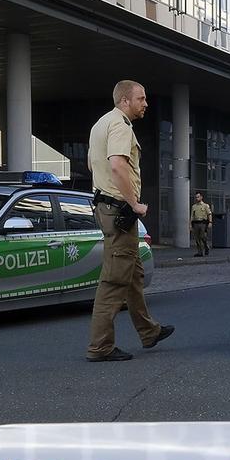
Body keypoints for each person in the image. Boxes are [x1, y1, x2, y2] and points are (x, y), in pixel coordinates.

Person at [85, 80, 173, 362]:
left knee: (133, 274)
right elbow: (117, 164)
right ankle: (100, 347)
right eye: (141, 99)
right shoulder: (120, 126)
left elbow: (91, 164)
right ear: (125, 100)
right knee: (114, 280)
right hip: (119, 211)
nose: (145, 104)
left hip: (108, 207)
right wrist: (134, 203)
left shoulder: (101, 124)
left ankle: (149, 331)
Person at [190, 192, 213, 256]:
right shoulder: (194, 206)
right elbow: (192, 216)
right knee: (197, 238)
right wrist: (190, 225)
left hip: (203, 223)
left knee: (203, 236)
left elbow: (209, 214)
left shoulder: (205, 205)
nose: (197, 198)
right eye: (196, 197)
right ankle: (200, 252)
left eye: (198, 197)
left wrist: (210, 222)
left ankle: (206, 246)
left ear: (201, 197)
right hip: (196, 223)